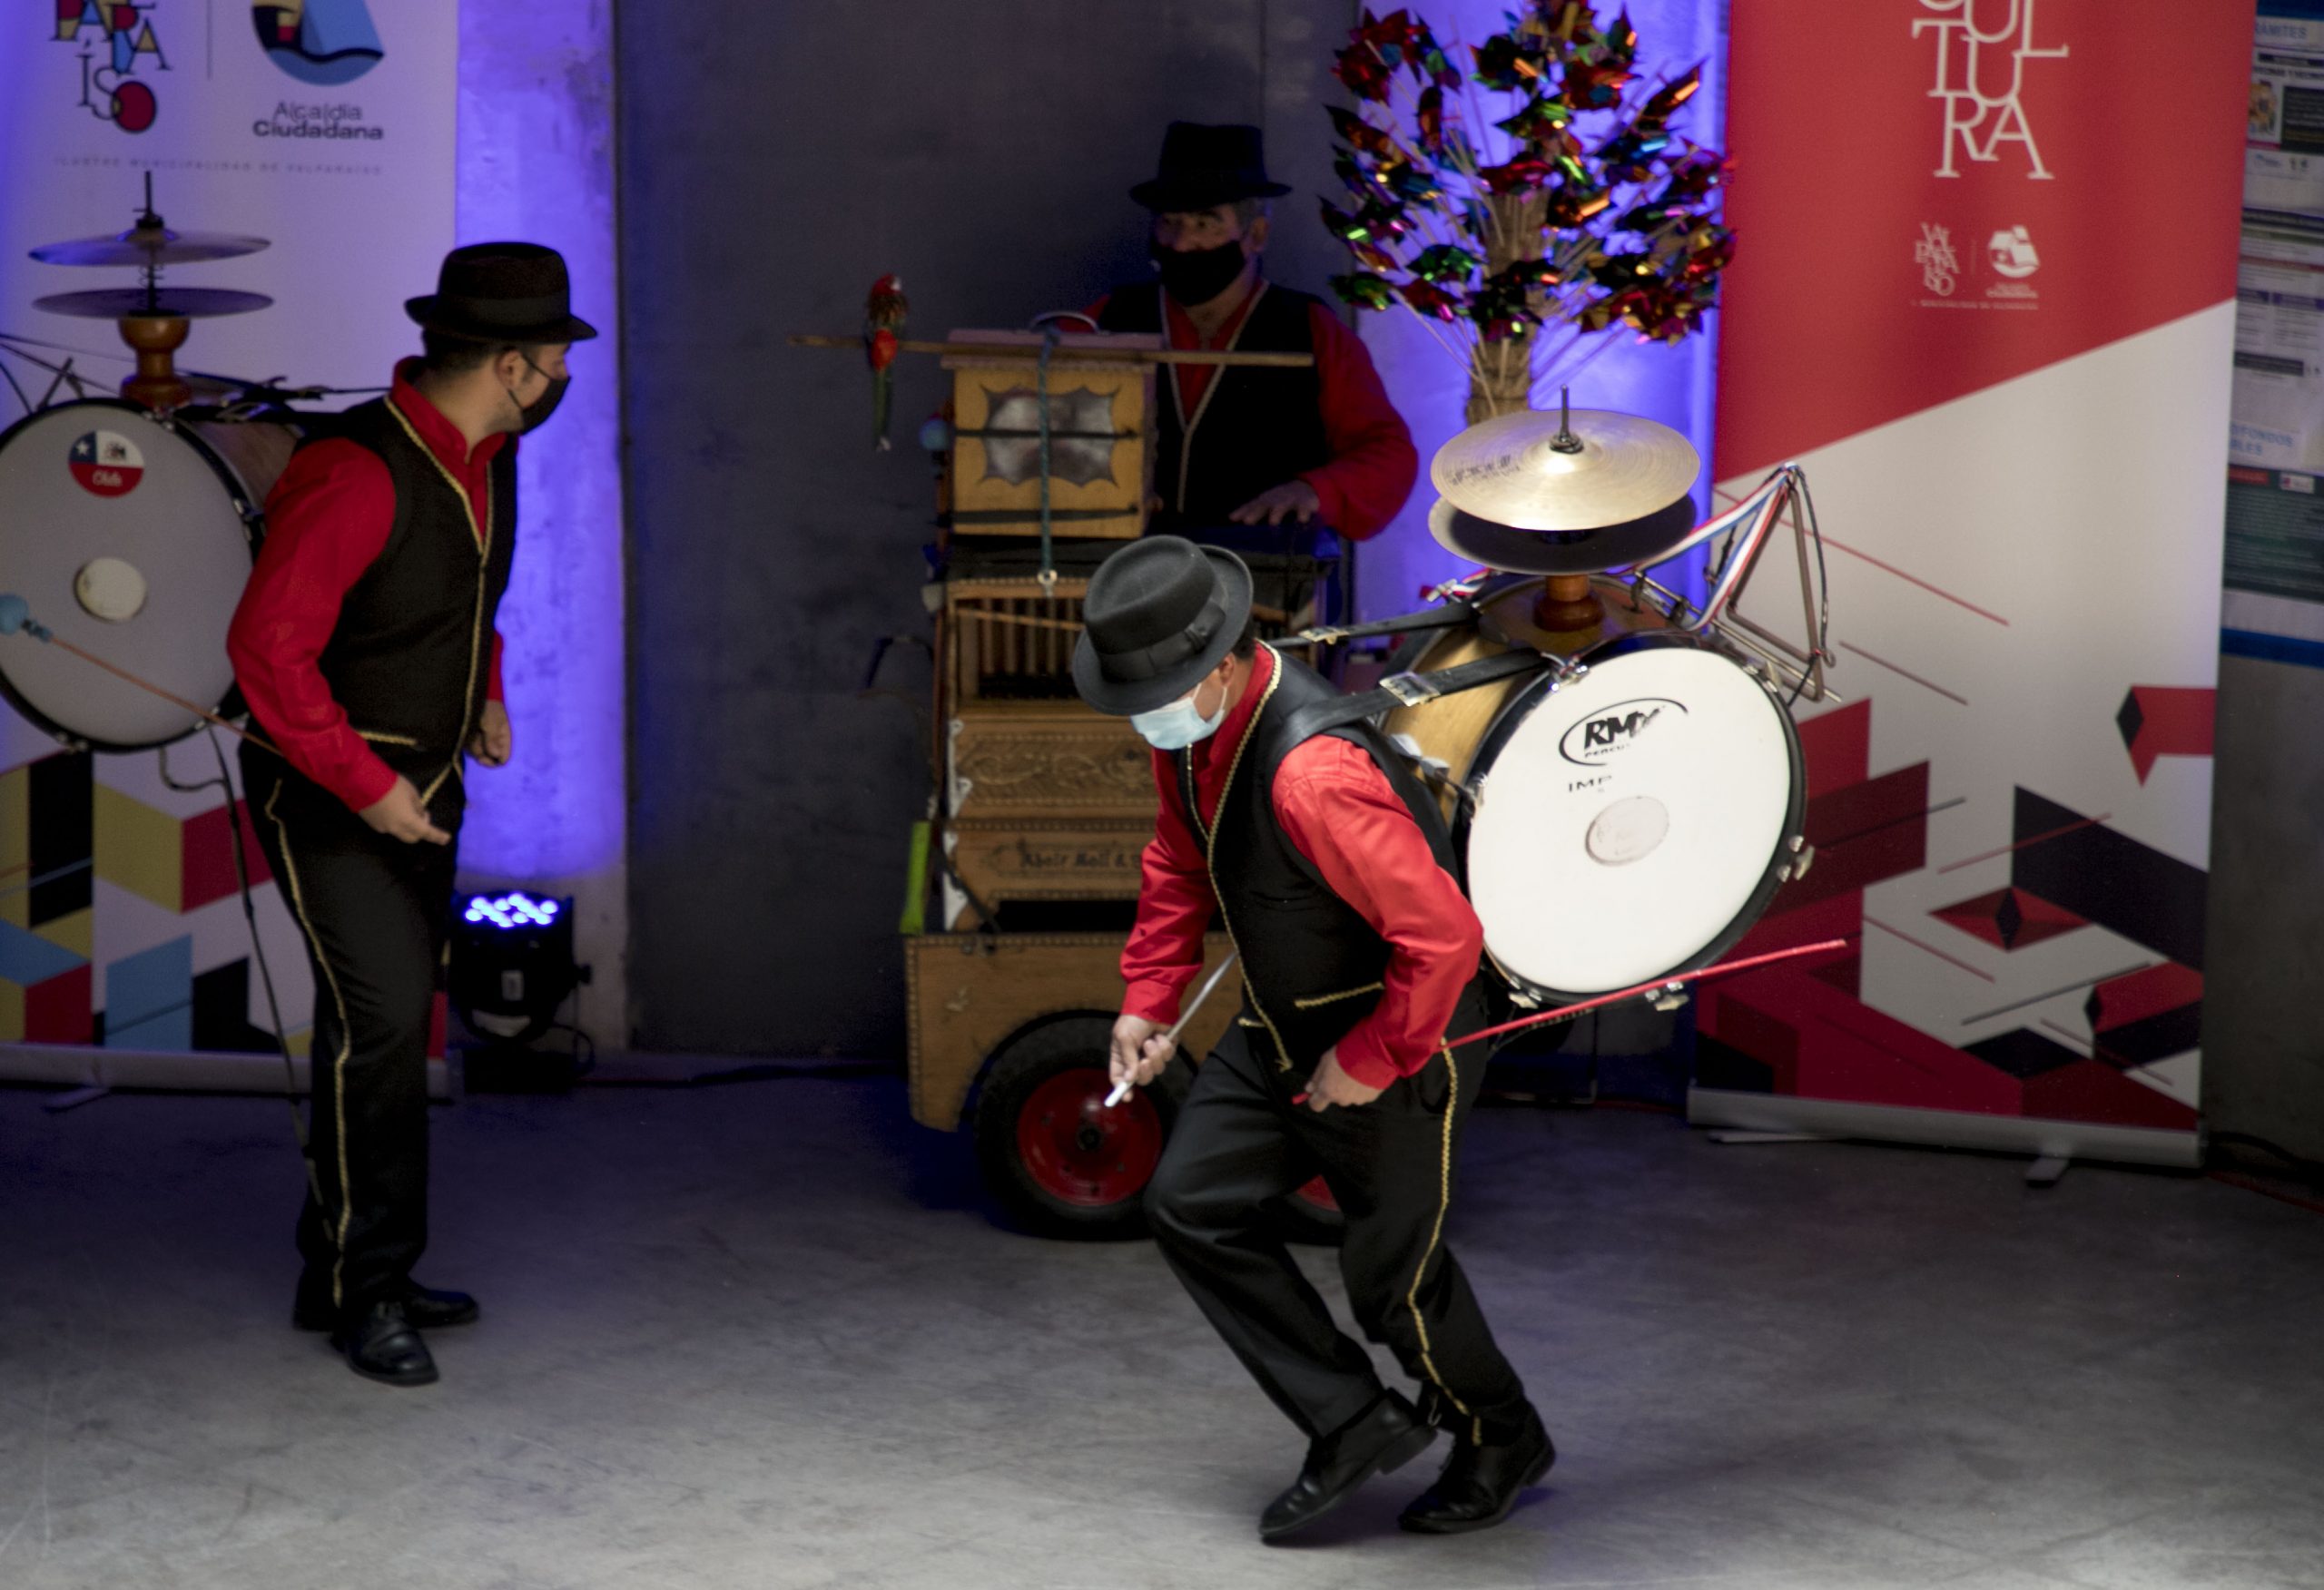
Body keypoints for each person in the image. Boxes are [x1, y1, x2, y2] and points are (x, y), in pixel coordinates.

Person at [1075, 536, 1553, 1540]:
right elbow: (1178, 859)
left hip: (1400, 1036)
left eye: (1157, 692)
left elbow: (1443, 938)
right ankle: (1351, 1419)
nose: (1144, 719)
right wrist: (1147, 998)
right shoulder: (1195, 737)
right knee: (1189, 1202)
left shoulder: (1312, 777)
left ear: (1215, 668)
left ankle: (1502, 1436)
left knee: (1394, 1285)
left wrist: (1373, 1058)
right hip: (1283, 1023)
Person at [225, 242, 593, 1388]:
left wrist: (483, 689)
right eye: (555, 361)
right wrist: (368, 786)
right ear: (513, 362)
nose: (560, 380)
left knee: (378, 1030)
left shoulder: (494, 453)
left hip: (424, 788)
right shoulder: (354, 473)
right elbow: (265, 654)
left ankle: (339, 1262)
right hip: (327, 788)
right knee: (382, 1027)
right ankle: (366, 1288)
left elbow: (470, 585)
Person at [1090, 122, 1417, 621]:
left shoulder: (1312, 331)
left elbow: (1388, 454)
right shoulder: (1106, 320)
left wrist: (1316, 490)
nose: (1181, 244)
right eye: (1169, 223)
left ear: (1256, 234)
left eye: (1205, 224)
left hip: (1263, 596)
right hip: (1131, 591)